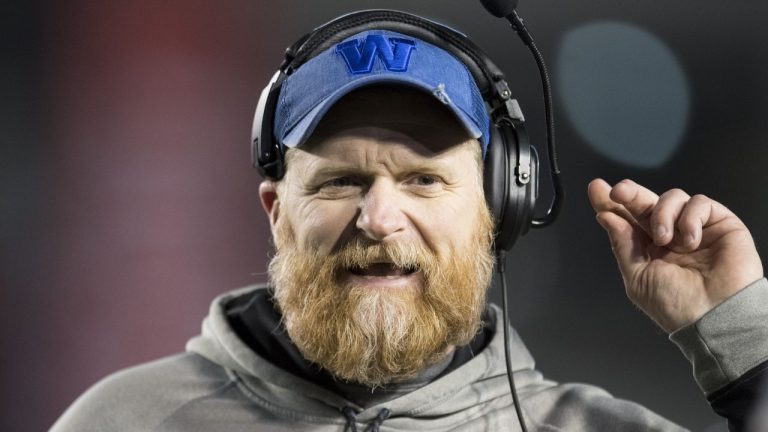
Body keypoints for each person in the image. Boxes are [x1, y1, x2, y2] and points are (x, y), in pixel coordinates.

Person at [51, 10, 768, 432]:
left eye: (424, 179)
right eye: (340, 181)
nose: (379, 217)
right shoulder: (122, 421)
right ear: (277, 213)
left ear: (498, 209)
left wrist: (746, 351)